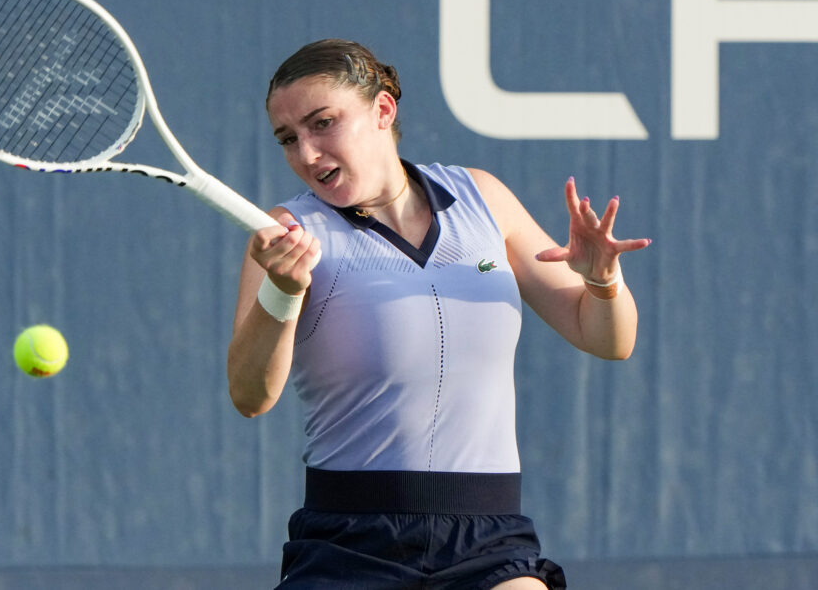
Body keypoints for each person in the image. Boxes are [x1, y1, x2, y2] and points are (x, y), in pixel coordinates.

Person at [227, 39, 651, 589]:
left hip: (488, 537)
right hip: (349, 543)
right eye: (289, 139)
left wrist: (601, 280)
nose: (306, 153)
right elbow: (250, 396)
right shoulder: (286, 233)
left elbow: (608, 339)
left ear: (383, 110)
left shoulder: (484, 199)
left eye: (323, 123)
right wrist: (281, 291)